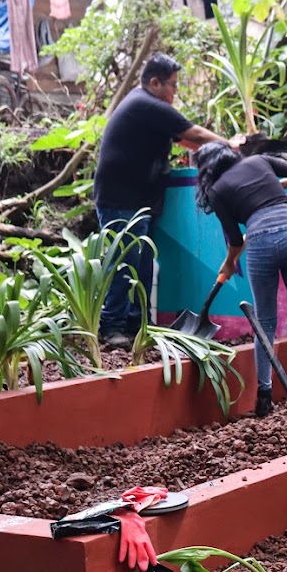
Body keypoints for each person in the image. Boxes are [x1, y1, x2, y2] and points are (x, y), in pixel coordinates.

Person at [93, 53, 233, 350]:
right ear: (154, 82)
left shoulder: (147, 107)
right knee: (124, 261)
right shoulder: (145, 104)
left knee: (143, 263)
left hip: (137, 200)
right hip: (121, 199)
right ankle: (111, 325)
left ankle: (137, 324)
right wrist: (232, 146)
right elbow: (192, 133)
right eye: (172, 86)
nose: (174, 93)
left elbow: (186, 142)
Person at [193, 142, 287, 416]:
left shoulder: (217, 190)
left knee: (265, 322)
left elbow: (235, 240)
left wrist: (230, 261)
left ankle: (264, 396)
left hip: (260, 240)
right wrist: (274, 187)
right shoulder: (258, 161)